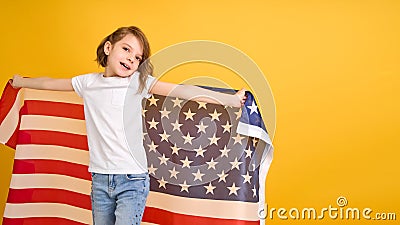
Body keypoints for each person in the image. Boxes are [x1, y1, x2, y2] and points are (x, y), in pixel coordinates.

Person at [10, 26, 246, 225]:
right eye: (126, 49)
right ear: (108, 48)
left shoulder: (137, 83)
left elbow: (183, 92)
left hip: (132, 180)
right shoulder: (87, 83)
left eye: (137, 58)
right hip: (100, 179)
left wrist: (231, 100)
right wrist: (20, 81)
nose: (131, 59)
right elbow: (51, 84)